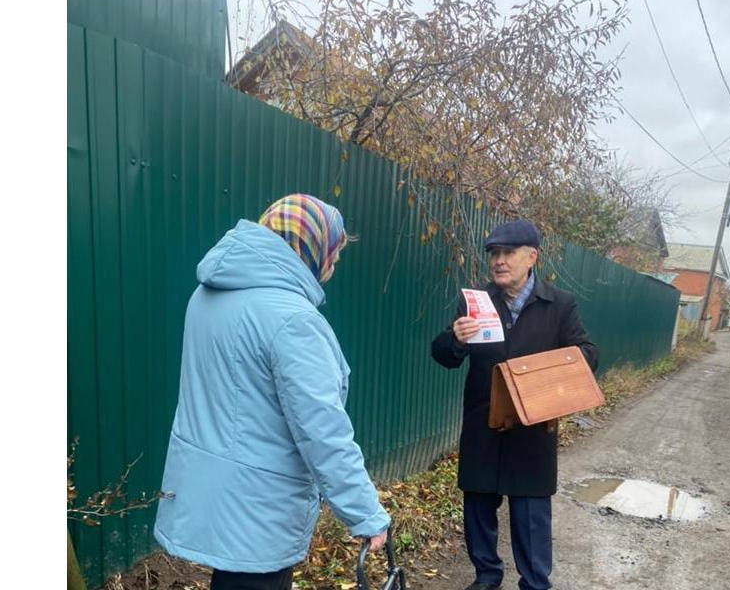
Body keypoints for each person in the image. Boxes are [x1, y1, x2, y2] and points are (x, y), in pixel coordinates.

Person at [154, 194, 390, 590]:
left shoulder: (207, 294)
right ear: (311, 248)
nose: (333, 264)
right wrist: (365, 514)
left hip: (213, 494)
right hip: (259, 510)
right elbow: (323, 431)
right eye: (334, 253)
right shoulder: (293, 320)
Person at [431, 220, 598, 590]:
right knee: (477, 510)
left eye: (508, 253)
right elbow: (443, 356)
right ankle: (486, 577)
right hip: (483, 426)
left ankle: (535, 583)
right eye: (494, 254)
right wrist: (455, 339)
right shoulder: (476, 302)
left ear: (531, 257)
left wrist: (539, 375)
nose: (499, 261)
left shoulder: (559, 305)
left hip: (532, 429)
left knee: (530, 517)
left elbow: (587, 355)